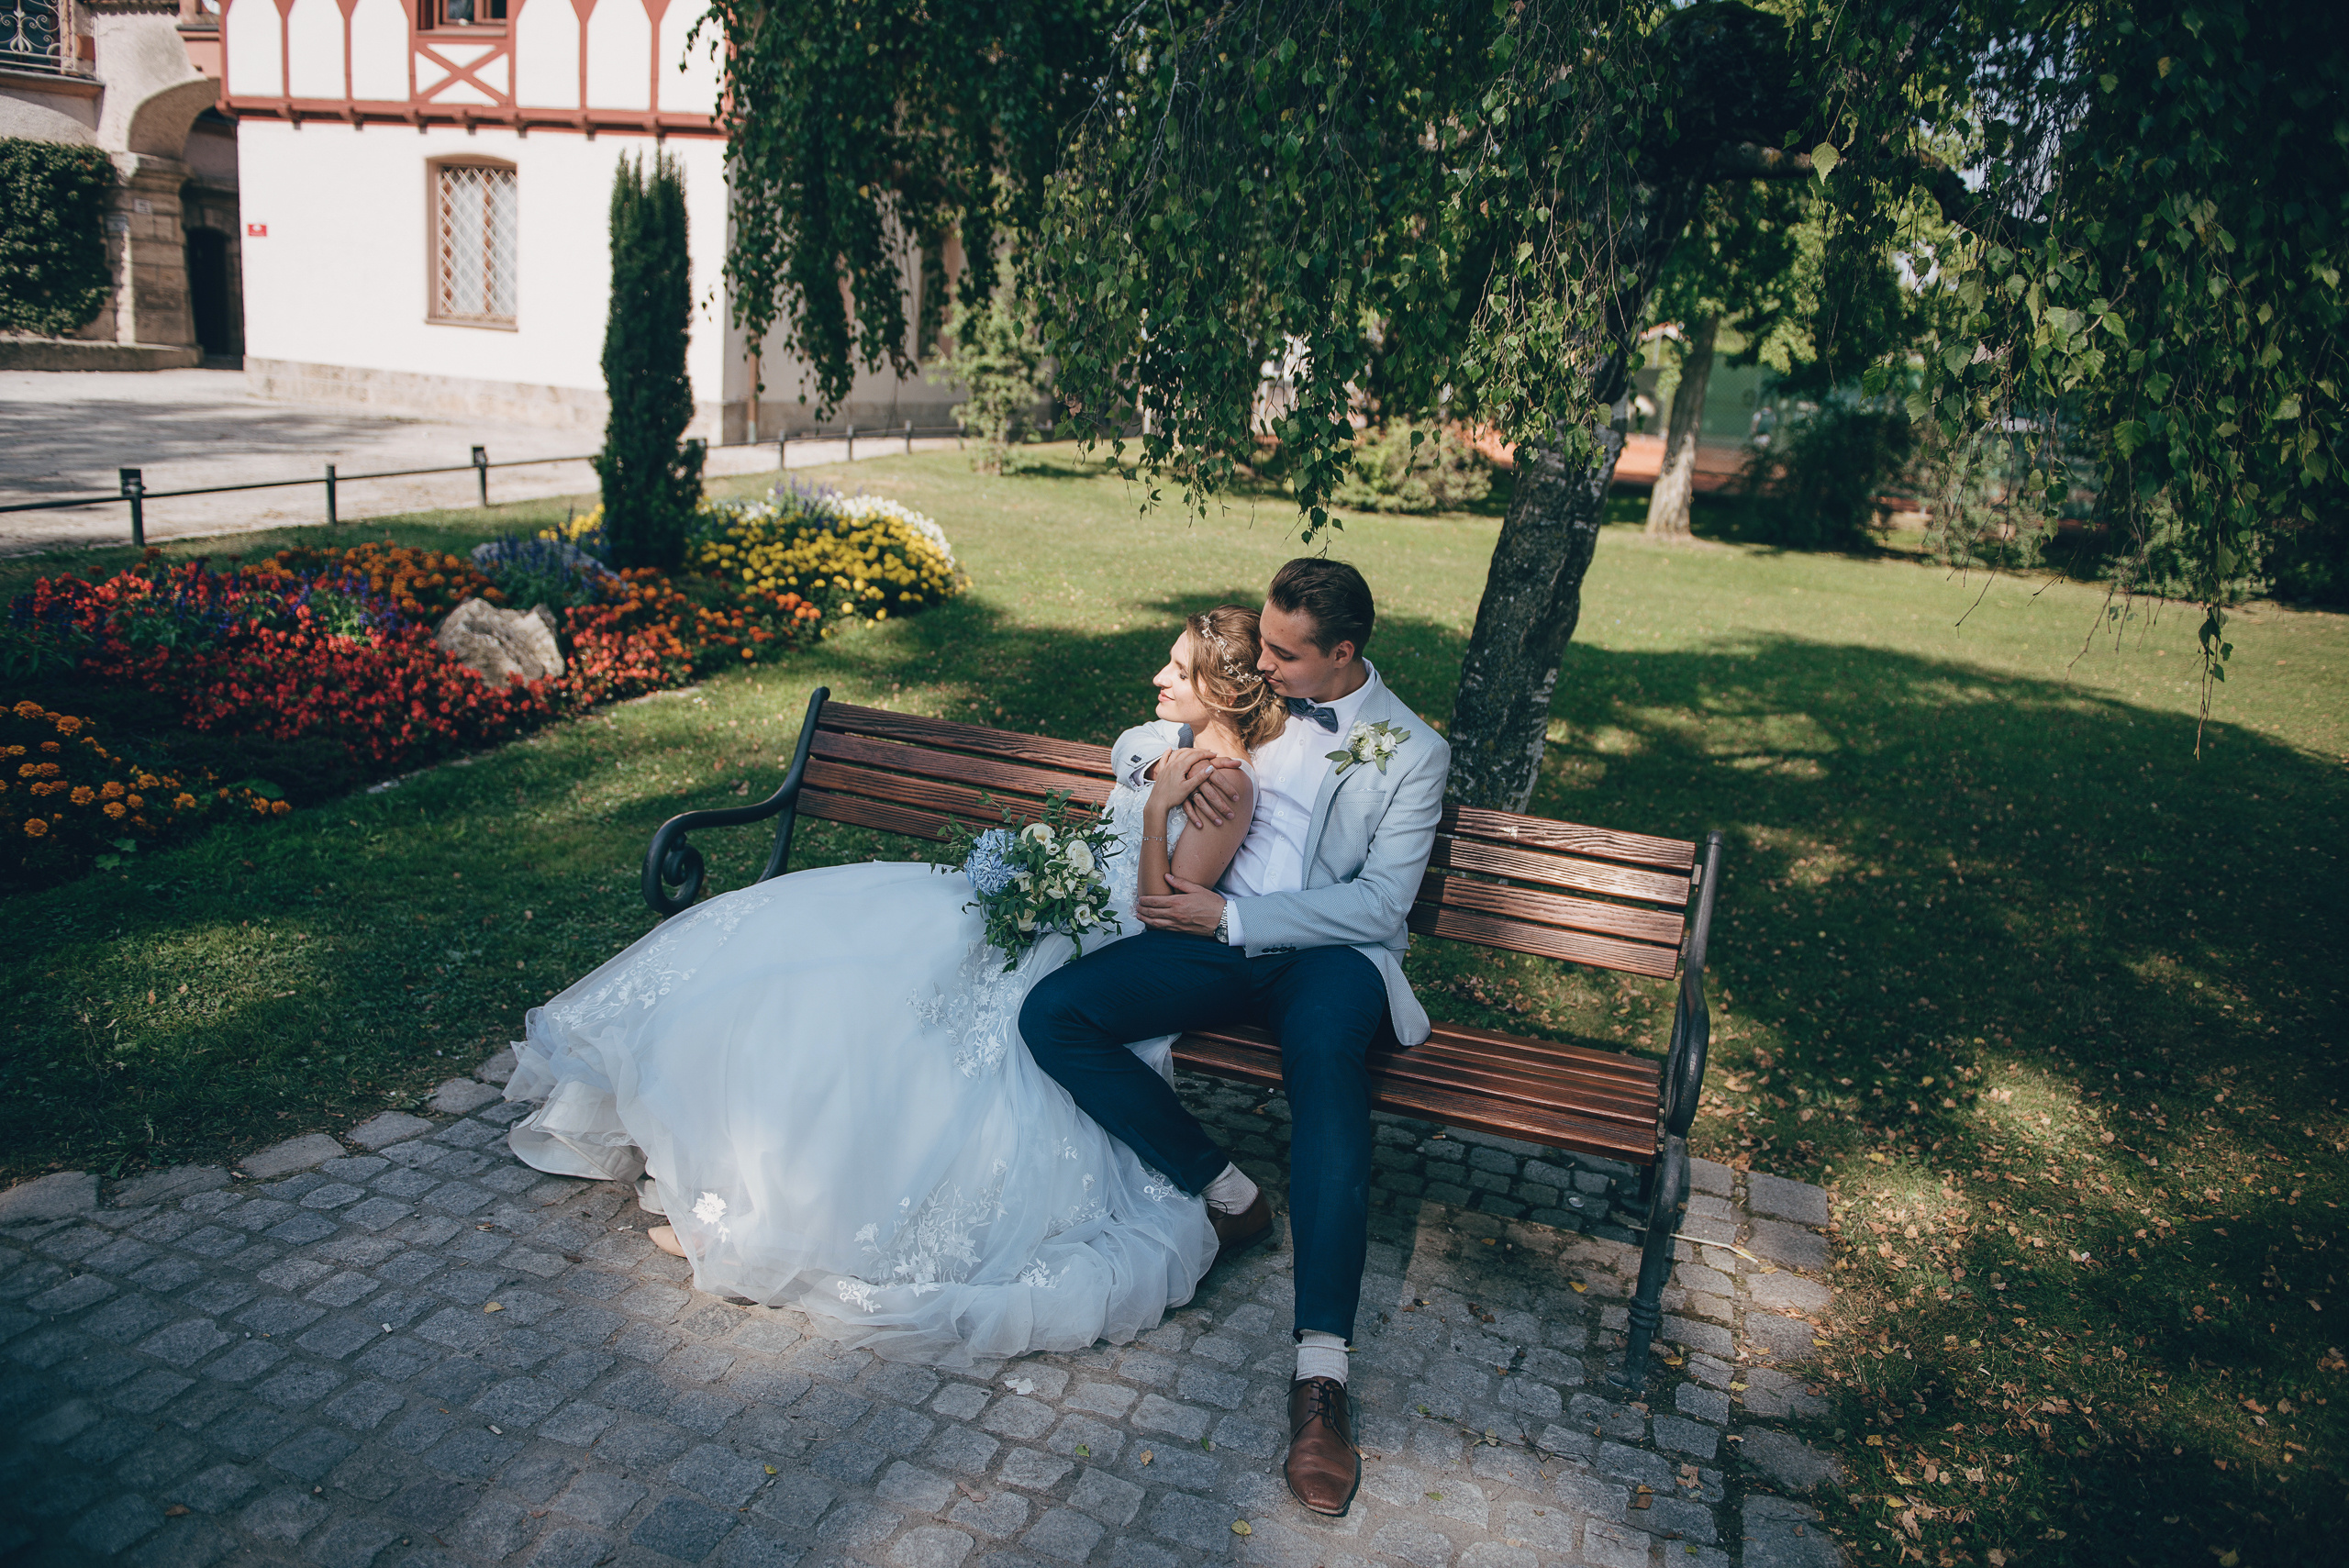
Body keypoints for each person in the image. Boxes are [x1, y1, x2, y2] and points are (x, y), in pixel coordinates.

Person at [499, 606, 1286, 1366]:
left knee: (922, 1021)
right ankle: (740, 1178)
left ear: (1220, 690)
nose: (1159, 675)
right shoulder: (1170, 741)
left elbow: (1160, 908)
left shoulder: (1227, 786)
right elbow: (1130, 743)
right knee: (828, 943)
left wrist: (1155, 813)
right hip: (1052, 902)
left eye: (1177, 669)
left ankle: (780, 1225)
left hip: (1104, 941)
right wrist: (1149, 773)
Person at [1020, 558, 1451, 1517]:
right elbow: (1152, 726)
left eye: (1285, 651)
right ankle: (1227, 1188)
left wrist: (1236, 920)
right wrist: (1158, 768)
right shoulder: (1264, 691)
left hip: (1326, 954)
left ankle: (1321, 1379)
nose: (1263, 659)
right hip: (1215, 933)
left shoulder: (1410, 749)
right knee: (1056, 1012)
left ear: (1344, 653)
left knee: (1328, 1081)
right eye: (1261, 639)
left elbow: (1380, 903)